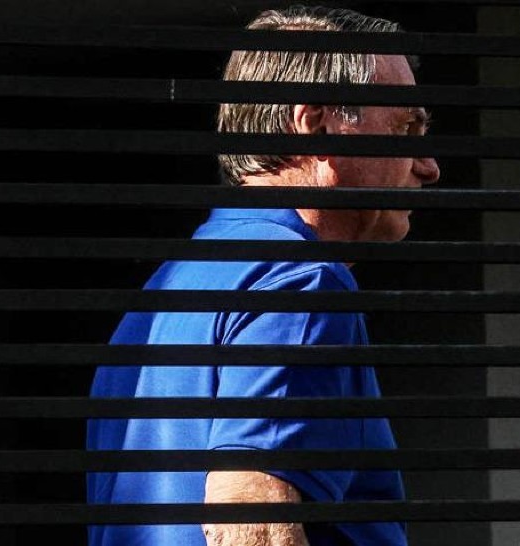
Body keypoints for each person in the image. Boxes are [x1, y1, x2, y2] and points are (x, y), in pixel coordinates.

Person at [86, 5, 440, 546]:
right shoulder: (299, 282)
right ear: (317, 125)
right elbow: (251, 521)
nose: (429, 166)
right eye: (406, 127)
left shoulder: (174, 285)